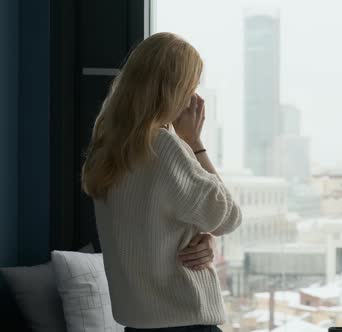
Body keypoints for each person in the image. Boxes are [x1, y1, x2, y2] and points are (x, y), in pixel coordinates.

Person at [81, 32, 242, 332]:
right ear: (174, 91)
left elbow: (151, 232)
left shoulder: (106, 150)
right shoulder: (164, 146)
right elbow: (228, 216)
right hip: (186, 323)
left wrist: (200, 235)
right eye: (190, 88)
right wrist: (194, 143)